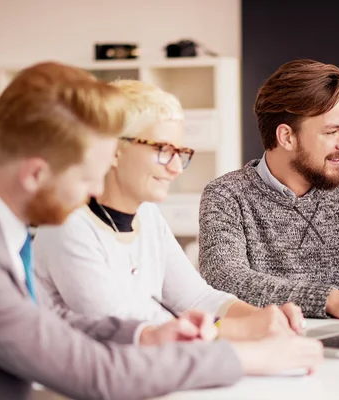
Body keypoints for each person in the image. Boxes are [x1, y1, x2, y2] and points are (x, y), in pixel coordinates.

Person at [0, 61, 323, 400]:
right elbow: (97, 373)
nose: (94, 193)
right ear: (36, 174)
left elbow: (44, 325)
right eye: (86, 180)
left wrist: (148, 335)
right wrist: (247, 358)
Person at [33, 79, 304, 340]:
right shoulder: (66, 225)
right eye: (162, 149)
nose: (175, 167)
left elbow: (195, 298)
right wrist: (243, 330)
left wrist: (265, 317)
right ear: (113, 148)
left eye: (180, 152)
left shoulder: (147, 214)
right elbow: (126, 332)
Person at [198, 59, 339, 320]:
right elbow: (225, 277)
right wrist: (331, 300)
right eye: (332, 131)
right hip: (274, 345)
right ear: (287, 137)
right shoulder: (226, 195)